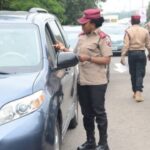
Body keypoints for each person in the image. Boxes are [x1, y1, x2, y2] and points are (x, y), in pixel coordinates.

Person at [55, 8, 112, 150]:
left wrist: (90, 58)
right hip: (82, 81)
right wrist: (63, 49)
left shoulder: (102, 37)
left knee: (99, 113)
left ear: (92, 23)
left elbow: (106, 59)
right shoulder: (81, 37)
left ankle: (103, 144)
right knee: (86, 114)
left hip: (97, 82)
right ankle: (90, 142)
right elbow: (75, 55)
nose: (81, 26)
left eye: (84, 24)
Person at [120, 15, 150, 102]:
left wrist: (122, 57)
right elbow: (148, 44)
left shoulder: (128, 31)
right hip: (141, 53)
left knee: (133, 73)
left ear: (131, 21)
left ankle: (135, 91)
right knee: (140, 73)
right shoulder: (145, 31)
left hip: (132, 54)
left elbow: (126, 45)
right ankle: (138, 92)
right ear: (139, 21)